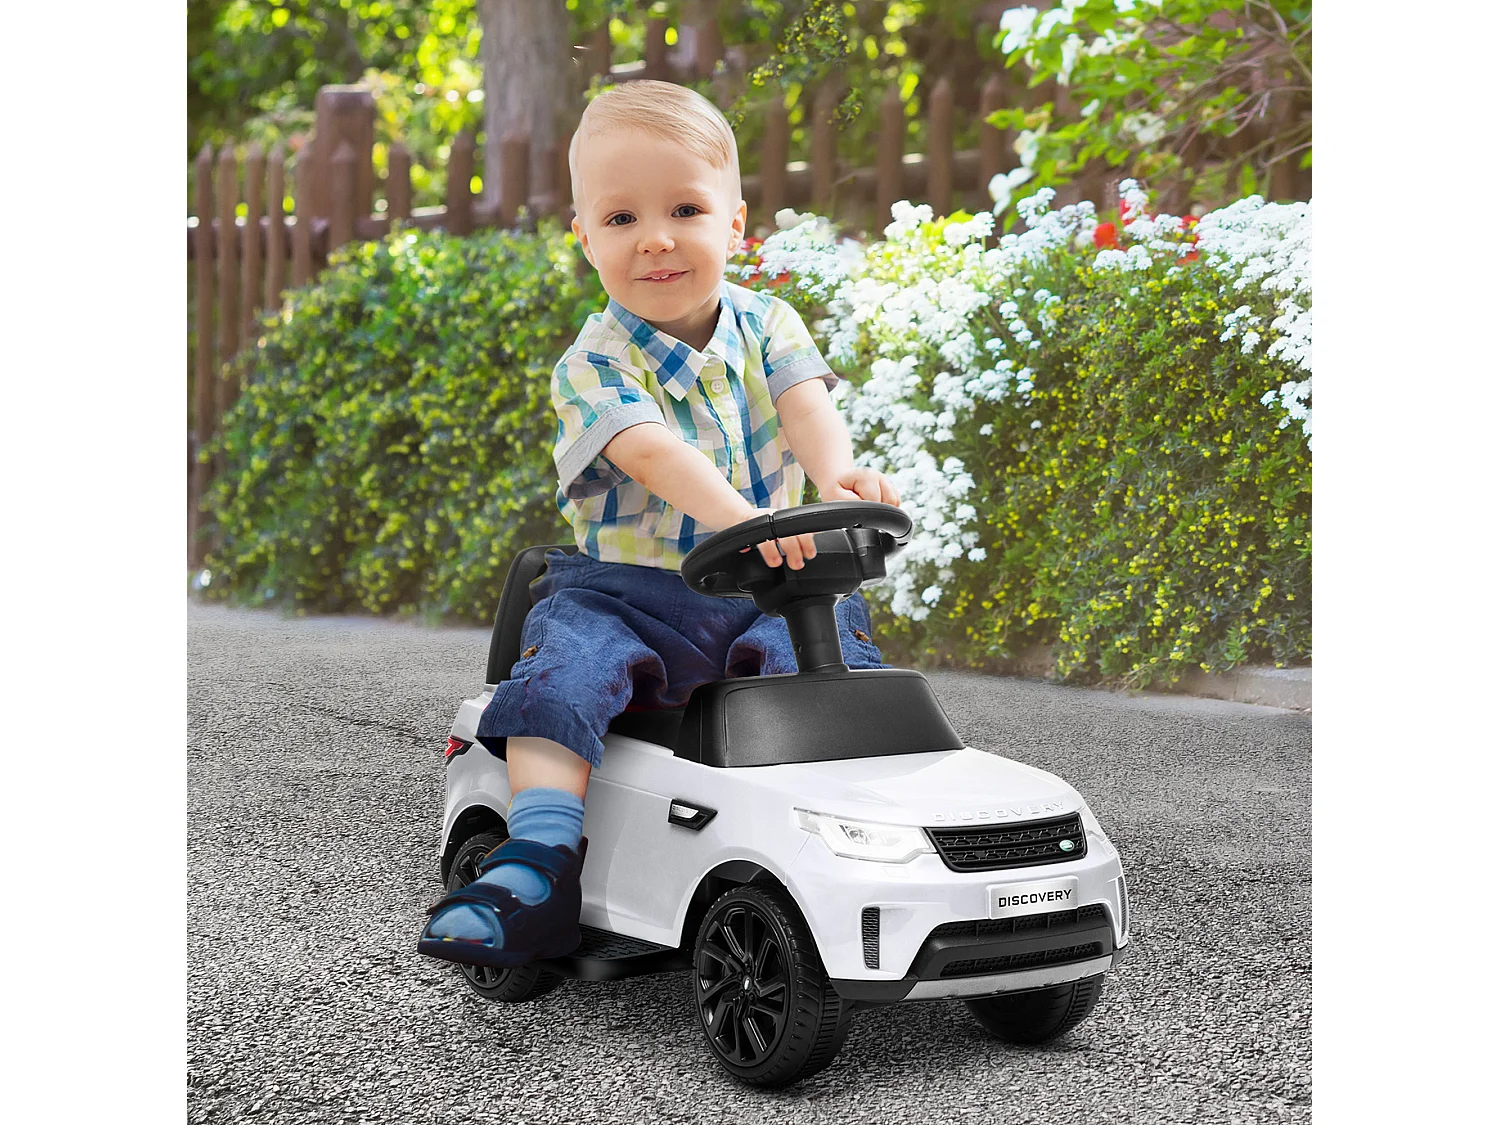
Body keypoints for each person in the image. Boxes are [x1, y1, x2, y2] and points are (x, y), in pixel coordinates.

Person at [418, 80, 901, 967]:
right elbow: (652, 455)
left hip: (765, 588)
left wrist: (838, 474)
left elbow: (805, 409)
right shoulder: (591, 364)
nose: (657, 238)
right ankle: (539, 867)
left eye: (685, 207)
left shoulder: (769, 323)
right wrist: (748, 517)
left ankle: (851, 832)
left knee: (827, 651)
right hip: (628, 594)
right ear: (584, 237)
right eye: (621, 217)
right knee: (565, 664)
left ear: (735, 223)